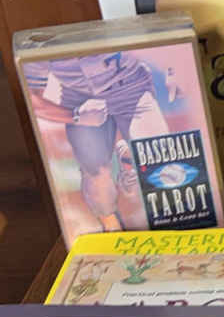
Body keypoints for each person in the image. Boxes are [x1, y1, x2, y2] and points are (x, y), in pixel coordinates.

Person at [24, 51, 175, 231]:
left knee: (159, 159)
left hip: (131, 87)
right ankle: (111, 226)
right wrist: (75, 116)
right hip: (79, 97)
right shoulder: (40, 45)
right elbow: (31, 98)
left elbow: (163, 44)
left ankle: (128, 160)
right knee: (96, 174)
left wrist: (173, 71)